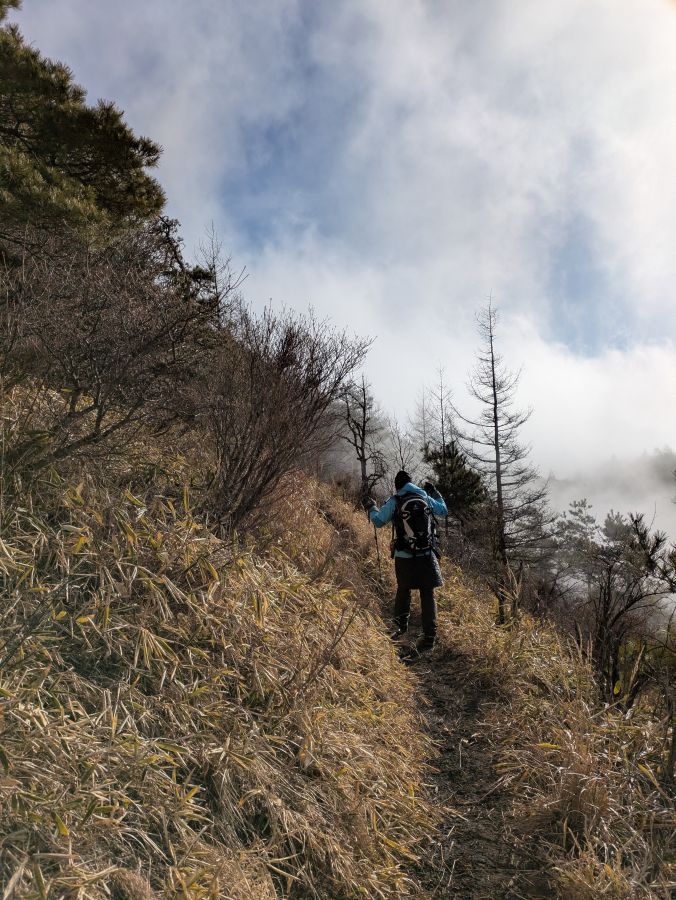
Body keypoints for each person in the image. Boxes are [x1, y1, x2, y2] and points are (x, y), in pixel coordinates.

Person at [366, 470, 448, 656]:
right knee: (427, 594)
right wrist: (435, 492)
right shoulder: (425, 497)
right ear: (411, 483)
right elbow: (443, 510)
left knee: (403, 589)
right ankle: (429, 637)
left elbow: (379, 522)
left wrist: (371, 507)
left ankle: (400, 627)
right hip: (426, 554)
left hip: (404, 555)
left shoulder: (395, 501)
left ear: (397, 486)